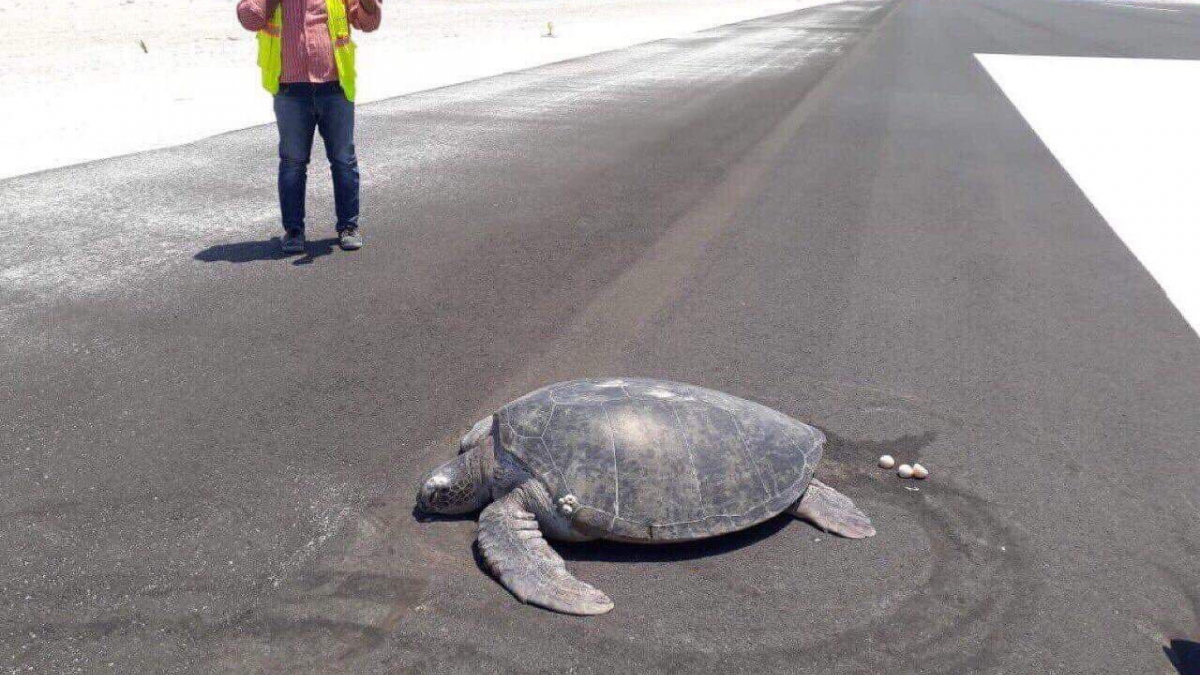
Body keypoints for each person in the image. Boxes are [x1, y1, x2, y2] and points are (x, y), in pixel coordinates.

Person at [236, 0, 382, 253]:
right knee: (292, 162)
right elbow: (249, 19)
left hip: (335, 86)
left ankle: (348, 226)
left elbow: (368, 23)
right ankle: (294, 230)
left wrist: (369, 4)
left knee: (343, 159)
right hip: (290, 89)